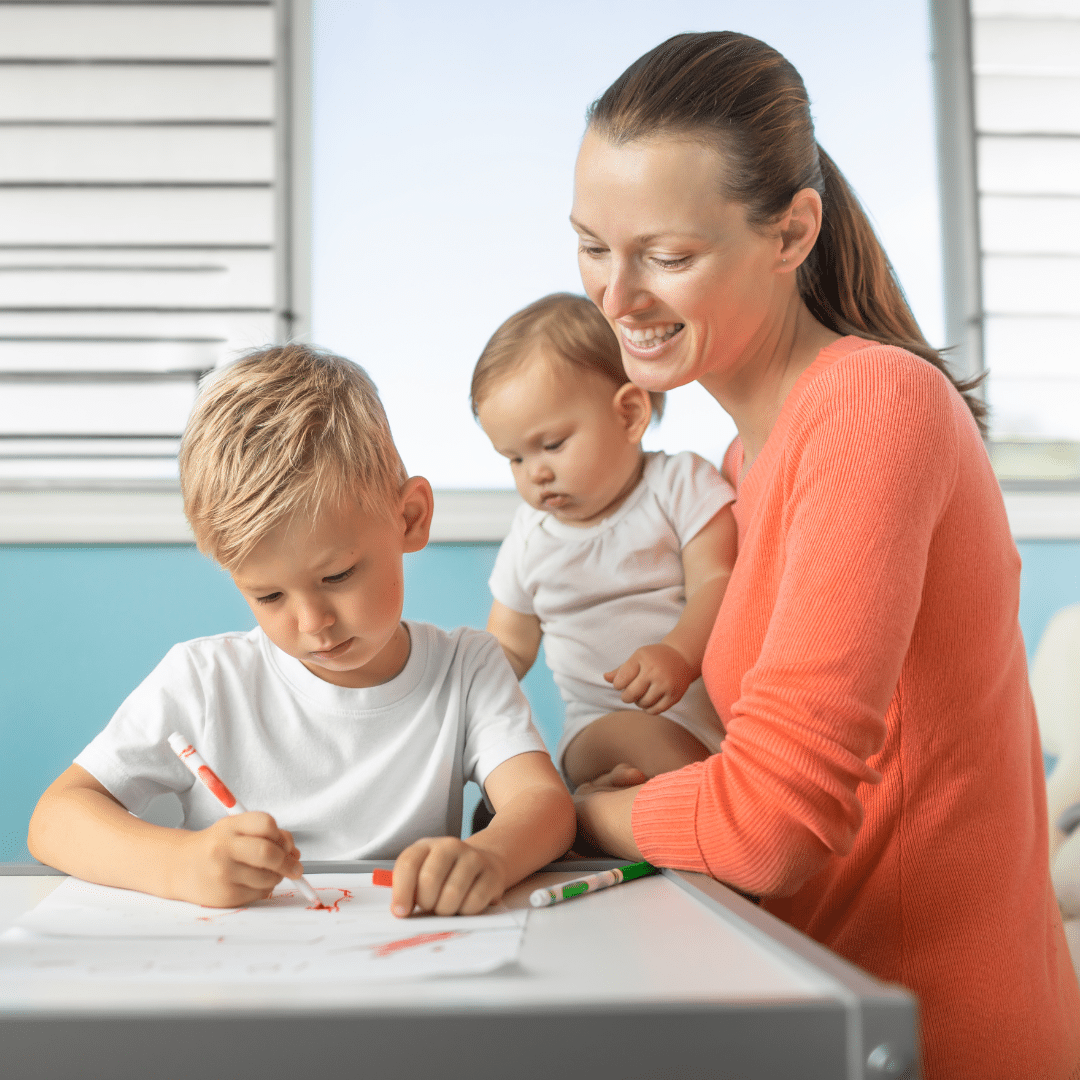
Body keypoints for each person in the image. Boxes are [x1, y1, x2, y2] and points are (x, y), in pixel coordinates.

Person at [567, 31, 1080, 1080]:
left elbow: (771, 827)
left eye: (665, 255)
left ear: (793, 231)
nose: (615, 297)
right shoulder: (744, 461)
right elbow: (775, 768)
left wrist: (578, 818)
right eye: (590, 246)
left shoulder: (874, 407)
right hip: (812, 999)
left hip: (933, 1039)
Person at [28, 344, 575, 918]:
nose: (313, 623)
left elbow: (543, 804)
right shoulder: (203, 679)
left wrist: (488, 857)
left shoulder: (466, 668)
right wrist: (182, 864)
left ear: (410, 518)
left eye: (337, 575)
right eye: (269, 596)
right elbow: (56, 818)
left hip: (399, 959)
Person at [471, 293, 736, 788]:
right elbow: (508, 645)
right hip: (595, 727)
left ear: (630, 414)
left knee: (691, 778)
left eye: (552, 445)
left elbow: (719, 581)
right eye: (515, 458)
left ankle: (593, 815)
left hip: (696, 713)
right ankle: (588, 808)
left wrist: (678, 653)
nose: (537, 473)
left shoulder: (679, 485)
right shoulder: (531, 537)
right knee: (648, 755)